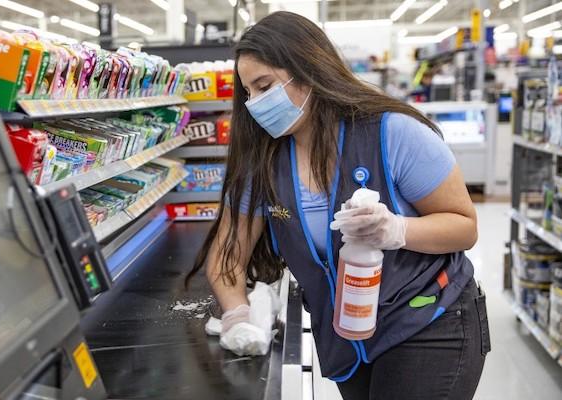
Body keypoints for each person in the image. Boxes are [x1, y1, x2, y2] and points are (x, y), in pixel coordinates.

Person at [186, 11, 490, 400]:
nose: (255, 103)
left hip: (428, 320)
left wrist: (397, 230)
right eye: (248, 93)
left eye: (265, 86)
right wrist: (237, 314)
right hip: (347, 338)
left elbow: (464, 226)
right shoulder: (262, 162)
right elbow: (228, 255)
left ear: (308, 70)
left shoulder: (390, 132)